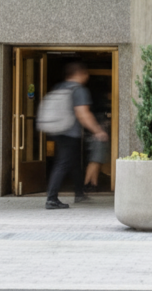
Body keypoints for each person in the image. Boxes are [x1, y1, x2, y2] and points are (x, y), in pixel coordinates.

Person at [45, 61, 108, 210]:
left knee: (74, 163)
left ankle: (79, 193)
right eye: (85, 74)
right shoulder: (78, 90)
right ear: (80, 74)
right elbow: (83, 114)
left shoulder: (59, 87)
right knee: (62, 163)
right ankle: (51, 199)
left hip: (57, 130)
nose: (87, 77)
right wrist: (98, 130)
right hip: (69, 132)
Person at [83, 92, 112, 193]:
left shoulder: (97, 105)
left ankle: (93, 184)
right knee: (95, 160)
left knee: (96, 160)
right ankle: (87, 184)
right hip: (98, 135)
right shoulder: (101, 107)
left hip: (97, 135)